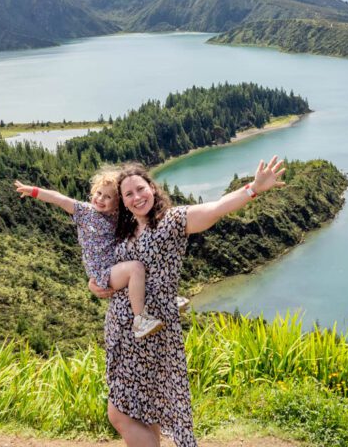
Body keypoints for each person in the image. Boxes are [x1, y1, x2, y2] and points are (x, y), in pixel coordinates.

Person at [91, 156, 286, 447]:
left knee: (119, 414)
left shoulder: (171, 221)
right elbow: (110, 268)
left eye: (140, 189)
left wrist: (253, 189)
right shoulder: (126, 230)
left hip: (149, 333)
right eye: (128, 194)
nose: (136, 197)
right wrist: (98, 284)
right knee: (145, 412)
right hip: (123, 332)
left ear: (153, 189)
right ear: (123, 201)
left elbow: (215, 209)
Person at [14, 168, 164, 339]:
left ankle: (163, 301)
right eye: (99, 193)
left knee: (143, 254)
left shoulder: (119, 217)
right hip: (103, 273)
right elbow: (59, 199)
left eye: (108, 197)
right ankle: (140, 322)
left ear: (118, 203)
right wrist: (33, 191)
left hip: (116, 265)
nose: (100, 199)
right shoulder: (85, 212)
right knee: (136, 268)